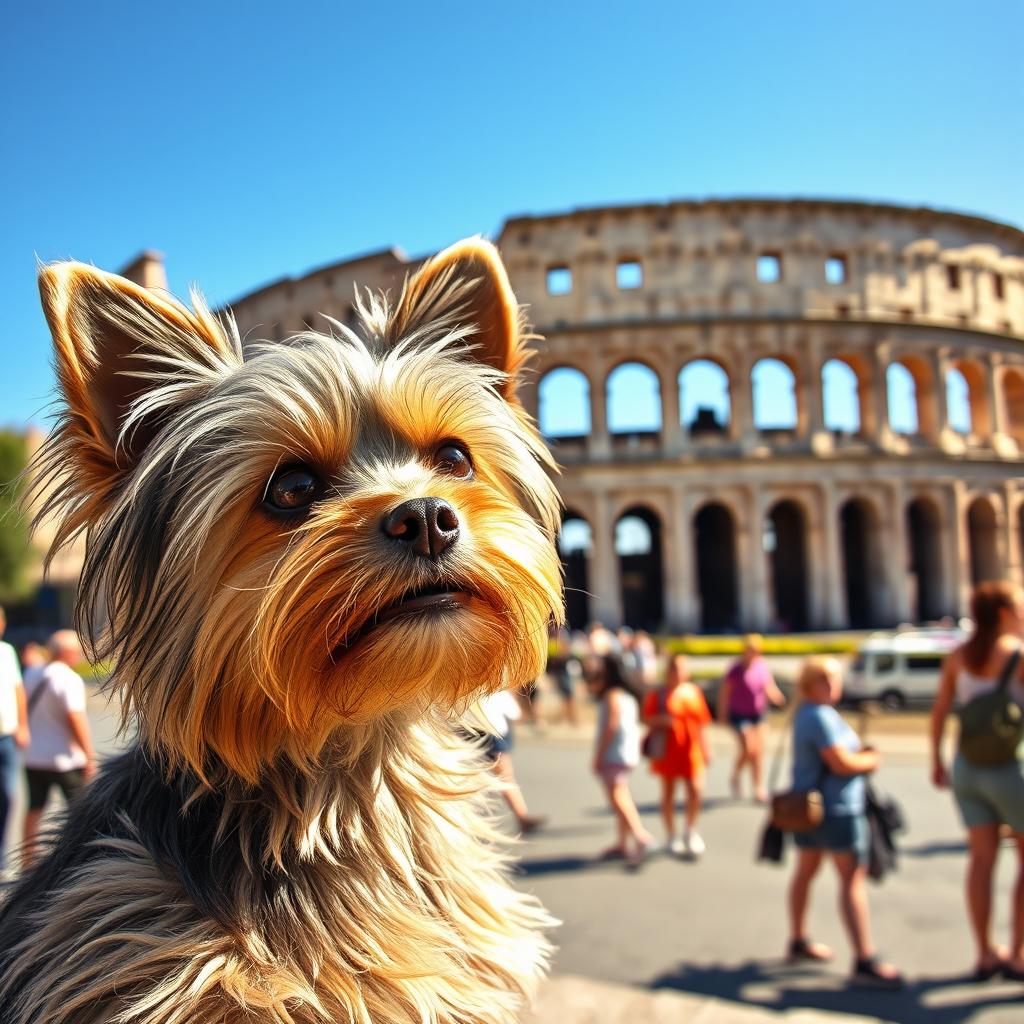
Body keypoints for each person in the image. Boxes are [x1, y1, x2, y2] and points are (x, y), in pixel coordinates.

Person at [786, 656, 902, 989]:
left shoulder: (807, 713)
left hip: (809, 807)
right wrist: (870, 759)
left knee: (806, 871)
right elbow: (840, 763)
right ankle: (864, 956)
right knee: (851, 879)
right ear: (815, 683)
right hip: (835, 808)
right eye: (831, 680)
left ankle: (798, 938)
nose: (837, 686)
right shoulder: (820, 716)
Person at [930, 580, 1024, 981]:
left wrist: (937, 760)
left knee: (981, 862)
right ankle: (1018, 954)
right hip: (1010, 767)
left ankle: (985, 953)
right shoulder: (1017, 655)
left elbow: (939, 713)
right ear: (1004, 614)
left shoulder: (959, 656)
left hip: (967, 766)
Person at [22, 630, 97, 866]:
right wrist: (89, 755)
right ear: (68, 653)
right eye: (77, 652)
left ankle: (27, 861)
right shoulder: (68, 679)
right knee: (80, 814)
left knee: (34, 809)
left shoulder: (33, 673)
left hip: (33, 757)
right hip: (65, 759)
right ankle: (78, 862)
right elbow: (75, 719)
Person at [642, 653, 712, 857]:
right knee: (669, 794)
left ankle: (690, 830)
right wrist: (662, 720)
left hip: (691, 750)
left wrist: (707, 747)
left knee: (696, 791)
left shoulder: (693, 692)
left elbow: (702, 723)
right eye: (675, 669)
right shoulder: (659, 694)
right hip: (668, 751)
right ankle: (672, 835)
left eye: (682, 669)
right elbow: (647, 718)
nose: (679, 673)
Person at [588, 654, 654, 866]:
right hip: (627, 752)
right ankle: (623, 843)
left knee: (617, 796)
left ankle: (641, 836)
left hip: (614, 752)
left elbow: (611, 726)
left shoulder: (613, 695)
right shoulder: (627, 695)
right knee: (622, 794)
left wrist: (599, 754)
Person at [718, 634, 786, 803]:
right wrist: (723, 714)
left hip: (758, 713)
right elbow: (725, 693)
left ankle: (758, 786)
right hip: (739, 714)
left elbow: (769, 686)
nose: (754, 654)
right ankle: (736, 775)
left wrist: (778, 698)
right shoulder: (736, 669)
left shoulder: (761, 666)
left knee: (758, 751)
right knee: (748, 748)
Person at [474, 688, 547, 833]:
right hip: (495, 735)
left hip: (477, 734)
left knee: (485, 777)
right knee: (505, 777)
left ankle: (521, 817)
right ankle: (522, 817)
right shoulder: (497, 691)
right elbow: (515, 713)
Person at [0, 608, 30, 874]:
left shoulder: (7, 652)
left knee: (10, 796)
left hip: (7, 736)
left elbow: (18, 691)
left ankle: (2, 856)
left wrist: (22, 724)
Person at [546, 627, 582, 727]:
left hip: (563, 671)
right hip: (559, 671)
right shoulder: (553, 639)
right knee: (565, 696)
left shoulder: (560, 637)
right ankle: (569, 718)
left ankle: (573, 718)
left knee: (569, 696)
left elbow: (565, 652)